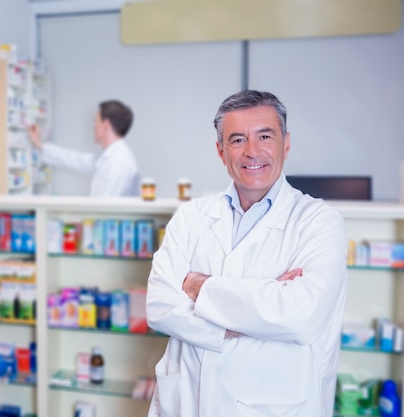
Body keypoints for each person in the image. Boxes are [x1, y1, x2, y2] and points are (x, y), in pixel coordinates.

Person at [146, 90, 348, 416]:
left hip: (274, 404)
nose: (252, 151)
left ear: (286, 142)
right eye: (237, 140)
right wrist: (255, 312)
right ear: (220, 151)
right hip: (188, 401)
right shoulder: (191, 216)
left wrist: (200, 287)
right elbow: (159, 306)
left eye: (265, 136)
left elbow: (301, 316)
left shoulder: (320, 222)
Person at [28, 100, 140, 197]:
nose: (94, 127)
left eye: (96, 122)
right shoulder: (106, 158)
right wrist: (39, 145)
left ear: (105, 125)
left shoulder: (120, 163)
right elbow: (74, 159)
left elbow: (108, 209)